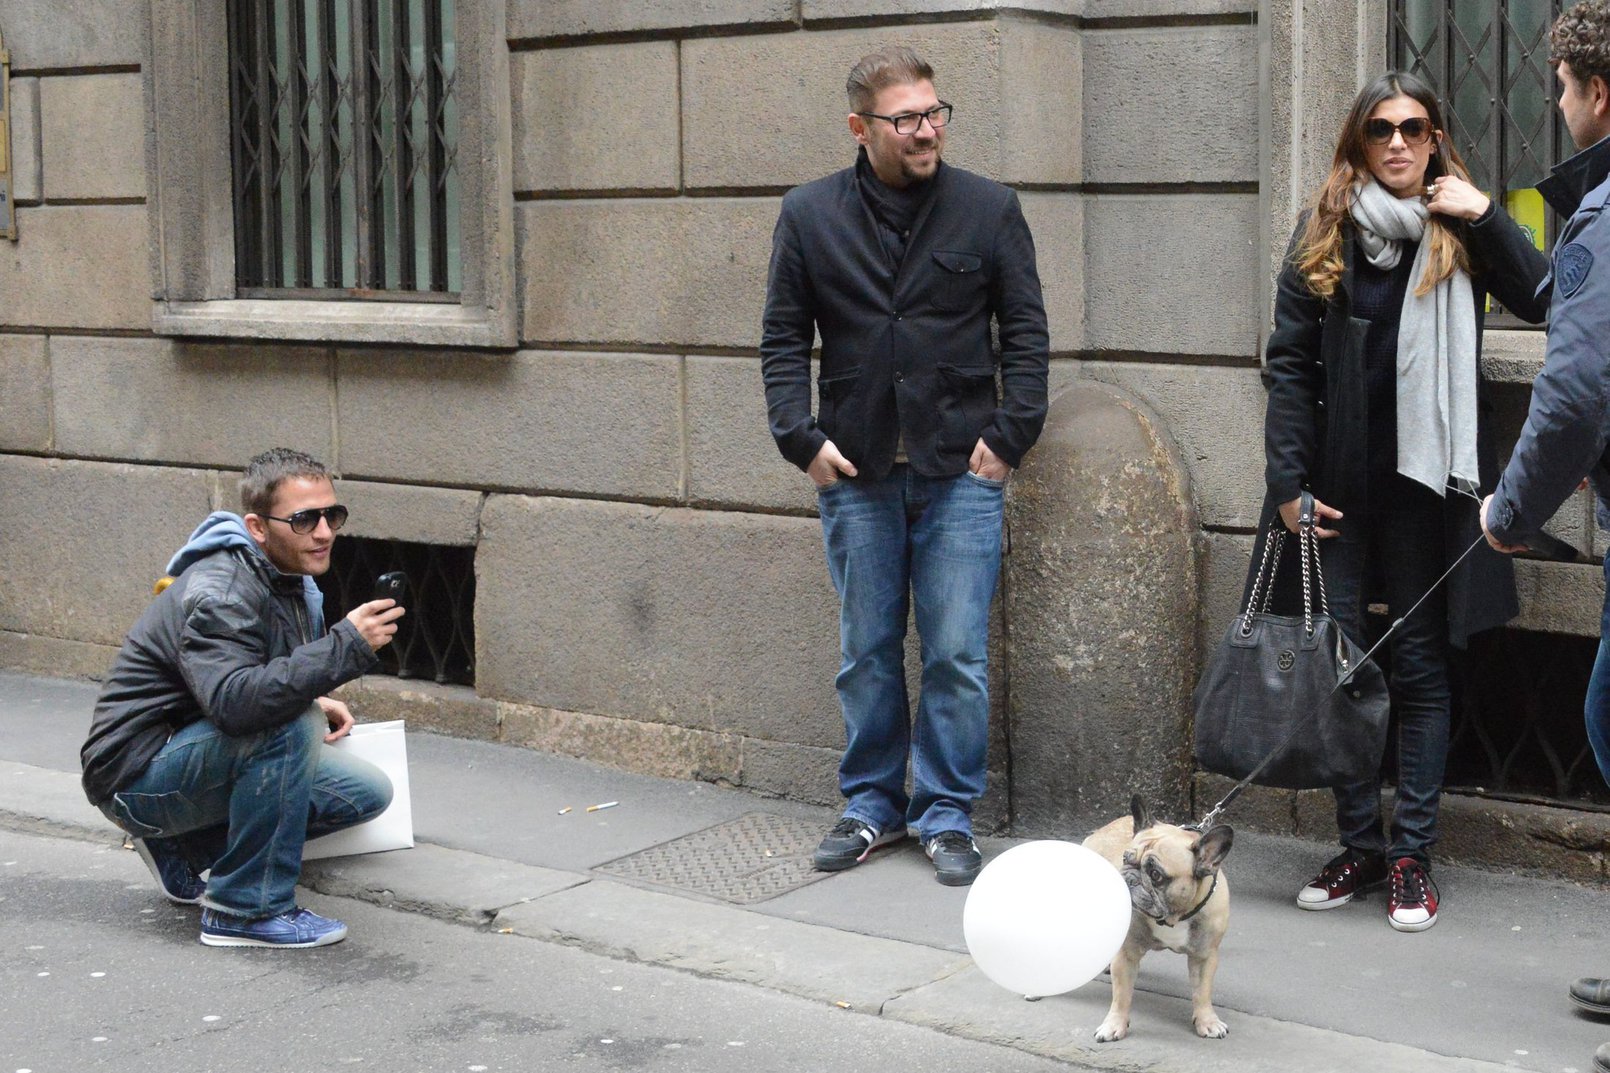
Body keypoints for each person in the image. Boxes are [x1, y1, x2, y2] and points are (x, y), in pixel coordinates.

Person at [1259, 71, 1549, 931]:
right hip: (1340, 496)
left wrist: (1486, 212)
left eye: (1413, 128)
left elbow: (1544, 298)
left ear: (1435, 140)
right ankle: (1361, 843)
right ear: (1357, 143)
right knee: (1343, 670)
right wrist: (1287, 487)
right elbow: (1287, 368)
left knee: (1421, 667)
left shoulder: (1460, 231)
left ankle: (1413, 854)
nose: (1396, 142)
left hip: (1431, 493)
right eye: (1379, 129)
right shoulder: (1324, 236)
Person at [760, 46, 1049, 886]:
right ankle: (873, 803)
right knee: (868, 649)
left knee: (957, 650)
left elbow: (1026, 333)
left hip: (964, 469)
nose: (927, 131)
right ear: (861, 126)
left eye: (934, 113)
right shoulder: (810, 214)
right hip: (855, 470)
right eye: (907, 118)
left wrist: (1009, 438)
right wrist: (800, 438)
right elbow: (783, 337)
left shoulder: (989, 208)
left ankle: (947, 811)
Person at [81, 448, 405, 948]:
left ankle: (183, 849)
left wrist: (316, 697)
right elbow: (237, 704)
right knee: (289, 723)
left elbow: (247, 678)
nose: (323, 532)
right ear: (257, 526)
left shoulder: (284, 576)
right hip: (134, 774)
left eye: (331, 515)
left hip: (188, 750)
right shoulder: (223, 589)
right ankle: (243, 909)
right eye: (303, 519)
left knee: (365, 794)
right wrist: (345, 646)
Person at [1473, 3, 1610, 1066]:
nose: (1554, 105)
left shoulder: (1602, 217)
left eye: (1558, 88)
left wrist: (1508, 512)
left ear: (1591, 91)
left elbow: (1572, 394)